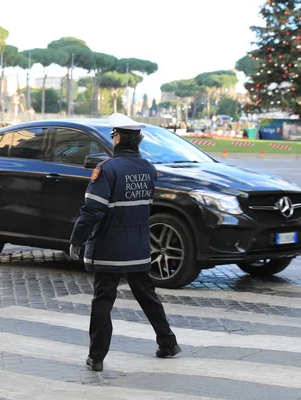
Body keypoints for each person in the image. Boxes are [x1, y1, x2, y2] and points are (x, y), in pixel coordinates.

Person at [69, 113, 181, 372]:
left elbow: (93, 211)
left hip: (110, 248)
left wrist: (77, 239)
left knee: (103, 301)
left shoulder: (108, 170)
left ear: (117, 138)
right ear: (138, 141)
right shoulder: (149, 169)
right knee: (147, 296)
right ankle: (168, 342)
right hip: (139, 247)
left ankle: (96, 357)